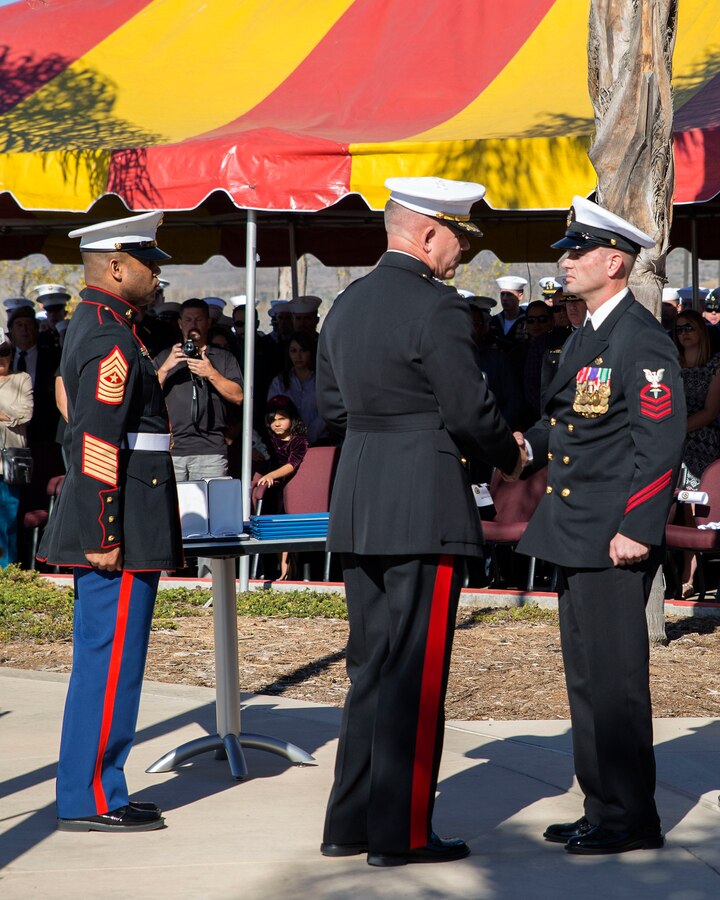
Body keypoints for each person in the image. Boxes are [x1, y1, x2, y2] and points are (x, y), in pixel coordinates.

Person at [316, 175, 523, 867]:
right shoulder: (437, 309)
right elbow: (468, 409)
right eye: (459, 237)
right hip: (424, 499)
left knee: (370, 669)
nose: (462, 252)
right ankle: (400, 832)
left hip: (360, 497)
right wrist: (510, 455)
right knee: (416, 673)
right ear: (429, 233)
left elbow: (335, 411)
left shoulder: (344, 306)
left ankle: (349, 823)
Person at [515, 196, 686, 855]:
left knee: (616, 683)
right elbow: (567, 423)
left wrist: (640, 527)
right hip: (575, 529)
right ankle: (601, 804)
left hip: (614, 535)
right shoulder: (587, 333)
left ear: (614, 261)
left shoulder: (640, 339)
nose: (566, 261)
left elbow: (659, 442)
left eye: (577, 251)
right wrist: (523, 446)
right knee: (586, 676)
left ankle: (631, 817)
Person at [37, 210, 183, 833]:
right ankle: (93, 795)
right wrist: (103, 534)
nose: (158, 278)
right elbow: (97, 439)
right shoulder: (110, 336)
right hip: (119, 520)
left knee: (112, 659)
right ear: (117, 267)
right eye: (151, 266)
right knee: (109, 660)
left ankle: (101, 787)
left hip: (129, 508)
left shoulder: (103, 325)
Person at [673, 309, 720, 597]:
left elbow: (711, 411)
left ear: (702, 330)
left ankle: (689, 574)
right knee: (673, 506)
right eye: (678, 329)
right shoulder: (670, 364)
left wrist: (675, 432)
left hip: (701, 440)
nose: (683, 333)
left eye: (688, 327)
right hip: (670, 441)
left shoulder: (716, 365)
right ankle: (679, 571)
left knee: (692, 505)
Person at [0, 329, 33, 567]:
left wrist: (5, 415)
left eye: (5, 352)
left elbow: (25, 414)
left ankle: (6, 573)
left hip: (8, 462)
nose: (1, 358)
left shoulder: (22, 379)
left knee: (8, 521)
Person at [267, 330, 328, 445]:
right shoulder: (279, 382)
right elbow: (272, 414)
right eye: (293, 351)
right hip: (287, 444)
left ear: (311, 352)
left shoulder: (322, 380)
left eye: (303, 350)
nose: (298, 356)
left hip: (319, 442)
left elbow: (326, 411)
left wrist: (307, 437)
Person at [490, 275, 527, 346]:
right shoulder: (494, 321)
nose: (504, 298)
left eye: (509, 295)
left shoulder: (528, 320)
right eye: (502, 294)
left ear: (520, 296)